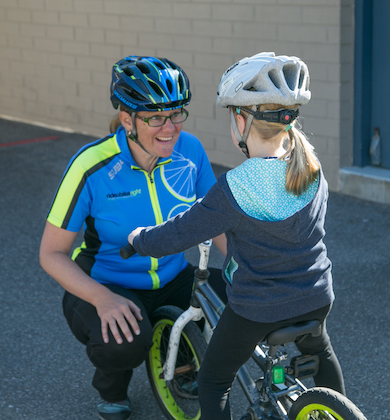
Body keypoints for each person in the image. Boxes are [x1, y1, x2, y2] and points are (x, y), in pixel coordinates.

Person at [128, 52, 345, 419]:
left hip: (258, 309)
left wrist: (139, 240)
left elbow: (179, 233)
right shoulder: (311, 166)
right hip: (316, 296)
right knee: (319, 353)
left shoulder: (235, 187)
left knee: (214, 379)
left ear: (242, 121)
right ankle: (336, 411)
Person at [39, 55, 226, 420]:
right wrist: (102, 298)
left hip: (173, 274)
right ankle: (113, 387)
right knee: (124, 339)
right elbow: (51, 254)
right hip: (108, 280)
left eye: (176, 113)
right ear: (127, 119)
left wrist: (245, 268)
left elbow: (216, 219)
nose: (169, 128)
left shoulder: (191, 151)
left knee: (237, 298)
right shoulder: (91, 166)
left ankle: (185, 361)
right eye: (155, 117)